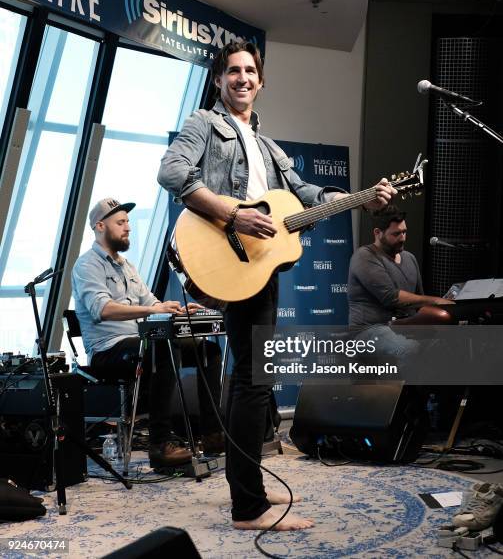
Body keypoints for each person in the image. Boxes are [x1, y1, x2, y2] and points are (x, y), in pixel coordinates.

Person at [157, 41, 395, 531]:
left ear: (260, 82)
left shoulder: (267, 145)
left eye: (250, 71)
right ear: (219, 80)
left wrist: (364, 198)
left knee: (250, 378)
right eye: (233, 71)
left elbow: (306, 196)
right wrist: (234, 213)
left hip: (259, 267)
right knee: (252, 380)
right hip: (230, 256)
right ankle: (248, 506)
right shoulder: (206, 123)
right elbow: (172, 171)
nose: (242, 78)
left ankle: (249, 489)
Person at [71, 197, 224, 469]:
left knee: (208, 349)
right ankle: (160, 444)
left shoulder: (127, 266)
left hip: (139, 344)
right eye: (120, 222)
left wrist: (174, 308)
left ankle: (212, 434)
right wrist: (152, 311)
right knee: (164, 348)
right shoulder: (87, 266)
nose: (127, 227)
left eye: (128, 222)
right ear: (100, 226)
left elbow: (151, 302)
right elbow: (102, 309)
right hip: (108, 350)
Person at [347, 205, 453, 356]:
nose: (402, 238)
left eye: (404, 232)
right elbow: (391, 297)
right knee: (409, 349)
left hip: (406, 325)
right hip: (370, 330)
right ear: (378, 233)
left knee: (450, 345)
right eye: (396, 234)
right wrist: (436, 301)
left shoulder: (410, 258)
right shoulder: (364, 256)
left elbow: (419, 301)